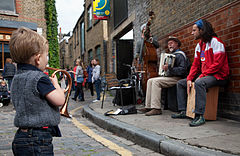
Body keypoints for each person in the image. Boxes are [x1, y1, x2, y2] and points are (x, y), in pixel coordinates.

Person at [9, 27, 65, 155]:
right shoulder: (39, 78)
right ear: (38, 59)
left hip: (21, 138)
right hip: (38, 139)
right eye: (47, 55)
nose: (47, 59)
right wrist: (57, 85)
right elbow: (59, 100)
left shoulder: (17, 77)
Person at [172, 19, 229, 127]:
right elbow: (195, 65)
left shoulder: (216, 42)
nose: (192, 33)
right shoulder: (199, 46)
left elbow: (218, 64)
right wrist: (189, 78)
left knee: (199, 82)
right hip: (206, 75)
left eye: (194, 30)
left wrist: (202, 76)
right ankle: (183, 111)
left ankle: (199, 116)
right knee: (181, 83)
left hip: (219, 76)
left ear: (202, 30)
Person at [139, 37, 188, 116]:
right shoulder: (170, 55)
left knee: (156, 82)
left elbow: (183, 70)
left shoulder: (180, 55)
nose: (169, 45)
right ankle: (148, 106)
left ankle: (156, 108)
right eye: (168, 44)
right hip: (170, 77)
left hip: (178, 78)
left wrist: (169, 69)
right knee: (150, 80)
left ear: (177, 44)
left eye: (171, 43)